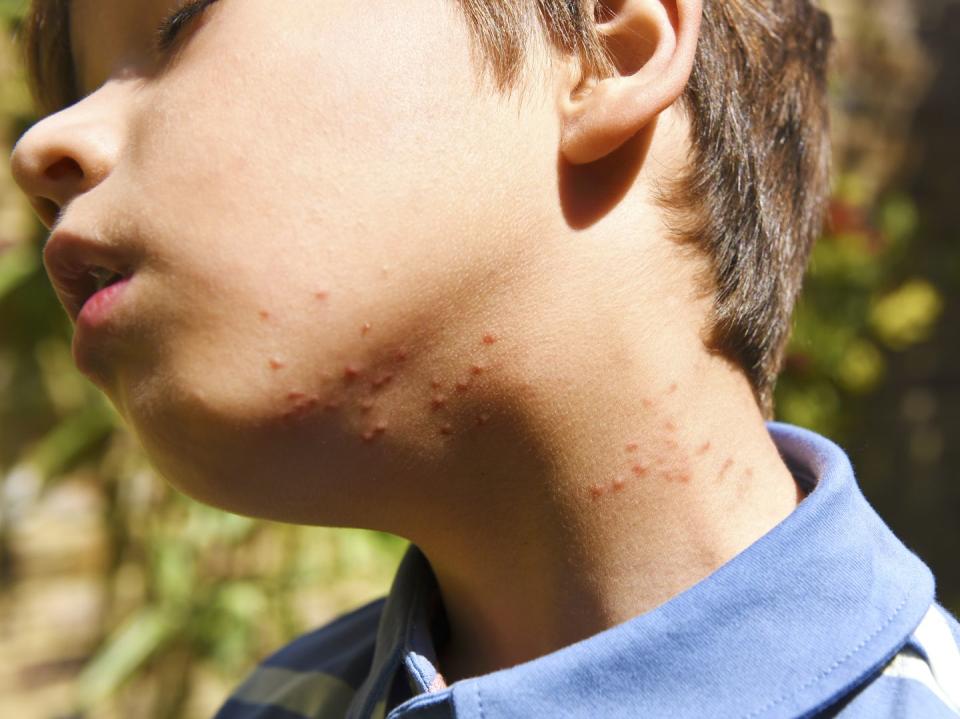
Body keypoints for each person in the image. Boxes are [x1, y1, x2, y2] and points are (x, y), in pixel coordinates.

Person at [8, 0, 960, 716]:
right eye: (79, 89)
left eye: (176, 21)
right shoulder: (279, 700)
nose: (38, 148)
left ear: (607, 45)